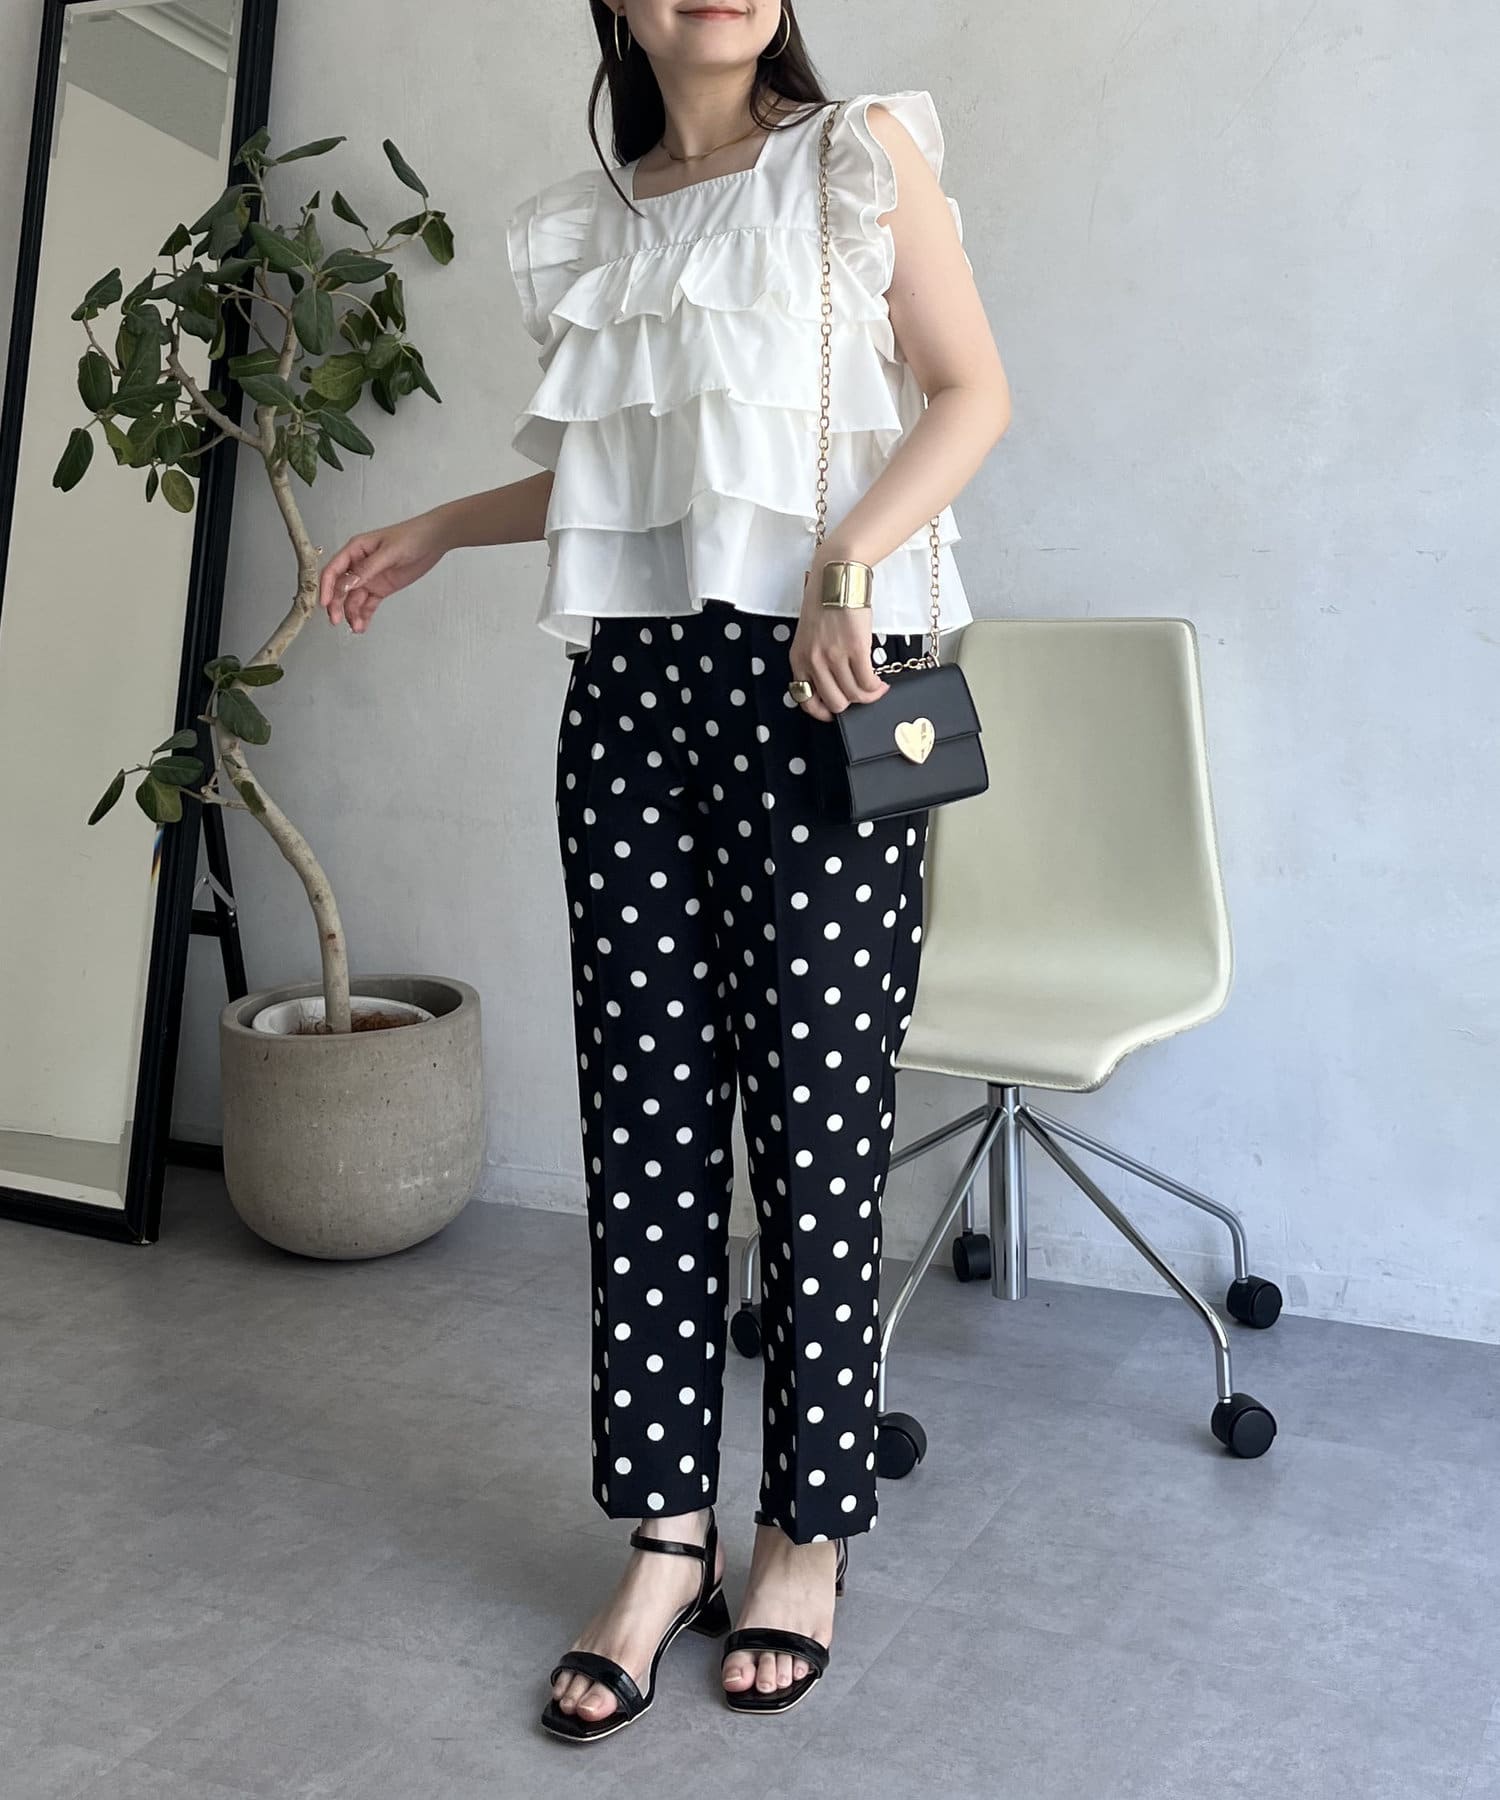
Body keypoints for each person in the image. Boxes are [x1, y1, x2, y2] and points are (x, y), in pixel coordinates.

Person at [318, 0, 1010, 1744]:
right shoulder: (597, 218)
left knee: (818, 1123)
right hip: (631, 698)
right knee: (644, 1122)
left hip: (824, 684)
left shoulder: (857, 157)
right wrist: (435, 528)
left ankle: (807, 1531)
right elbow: (626, 468)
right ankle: (663, 1536)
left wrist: (848, 563)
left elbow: (972, 392)